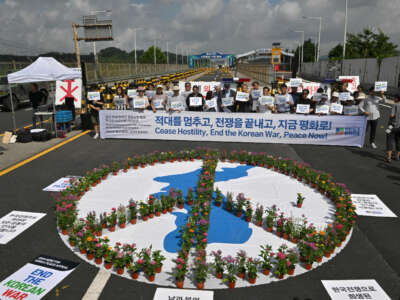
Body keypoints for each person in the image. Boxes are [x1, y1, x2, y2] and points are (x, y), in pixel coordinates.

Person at [386, 95, 400, 162]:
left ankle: (389, 157)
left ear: (397, 99)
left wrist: (390, 118)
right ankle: (397, 156)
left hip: (392, 125)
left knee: (389, 140)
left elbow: (392, 115)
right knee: (398, 141)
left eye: (394, 97)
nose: (394, 98)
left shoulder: (395, 105)